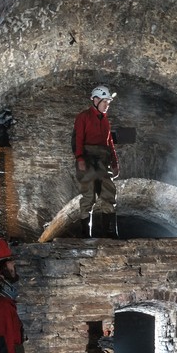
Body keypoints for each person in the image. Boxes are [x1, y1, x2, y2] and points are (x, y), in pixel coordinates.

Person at [74, 84, 121, 239]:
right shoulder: (83, 117)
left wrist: (115, 162)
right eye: (104, 102)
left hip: (103, 159)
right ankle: (85, 233)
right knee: (88, 195)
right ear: (95, 100)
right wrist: (80, 157)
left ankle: (110, 232)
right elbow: (78, 138)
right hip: (87, 157)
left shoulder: (106, 121)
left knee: (109, 192)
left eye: (108, 103)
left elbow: (109, 143)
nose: (107, 106)